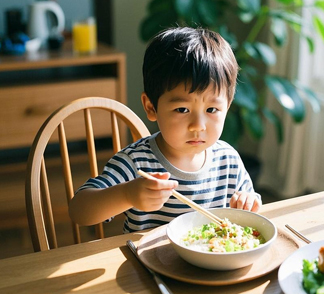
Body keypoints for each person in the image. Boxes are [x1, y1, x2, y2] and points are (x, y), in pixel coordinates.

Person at [69, 27, 262, 233]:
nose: (198, 125)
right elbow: (79, 211)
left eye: (212, 109)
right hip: (147, 264)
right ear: (151, 107)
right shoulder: (136, 162)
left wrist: (249, 201)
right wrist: (127, 194)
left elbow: (249, 205)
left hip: (213, 261)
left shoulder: (228, 160)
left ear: (228, 105)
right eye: (182, 109)